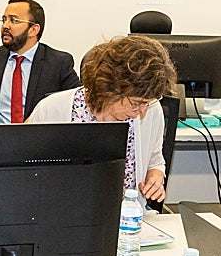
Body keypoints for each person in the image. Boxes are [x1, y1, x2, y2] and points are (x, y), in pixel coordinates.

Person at [27, 34, 175, 205]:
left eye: (147, 104)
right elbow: (27, 171)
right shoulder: (51, 109)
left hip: (126, 220)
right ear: (111, 87)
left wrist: (155, 178)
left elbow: (155, 161)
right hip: (60, 215)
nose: (141, 113)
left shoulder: (151, 110)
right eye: (136, 103)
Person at [0, 0, 80, 124]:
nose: (5, 26)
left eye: (13, 20)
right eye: (4, 20)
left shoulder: (58, 63)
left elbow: (79, 99)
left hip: (39, 139)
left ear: (33, 30)